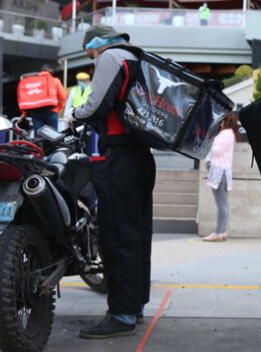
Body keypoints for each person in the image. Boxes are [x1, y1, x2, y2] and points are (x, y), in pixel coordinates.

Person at [69, 24, 156, 339]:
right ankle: (134, 306)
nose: (90, 57)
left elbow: (98, 104)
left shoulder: (110, 57)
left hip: (120, 158)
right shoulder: (138, 58)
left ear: (94, 44)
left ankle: (120, 314)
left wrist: (73, 115)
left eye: (88, 51)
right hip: (141, 157)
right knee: (137, 235)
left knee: (117, 236)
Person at [203, 112, 240, 242]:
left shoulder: (225, 134)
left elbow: (217, 150)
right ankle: (222, 231)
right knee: (223, 203)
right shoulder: (230, 134)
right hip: (222, 171)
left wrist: (211, 141)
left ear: (225, 121)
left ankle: (218, 232)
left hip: (219, 172)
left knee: (221, 204)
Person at [22, 64, 67, 132]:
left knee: (39, 137)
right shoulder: (55, 80)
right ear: (51, 73)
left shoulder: (34, 81)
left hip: (36, 112)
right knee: (53, 137)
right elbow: (63, 97)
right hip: (51, 111)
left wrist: (24, 113)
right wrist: (57, 109)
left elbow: (28, 98)